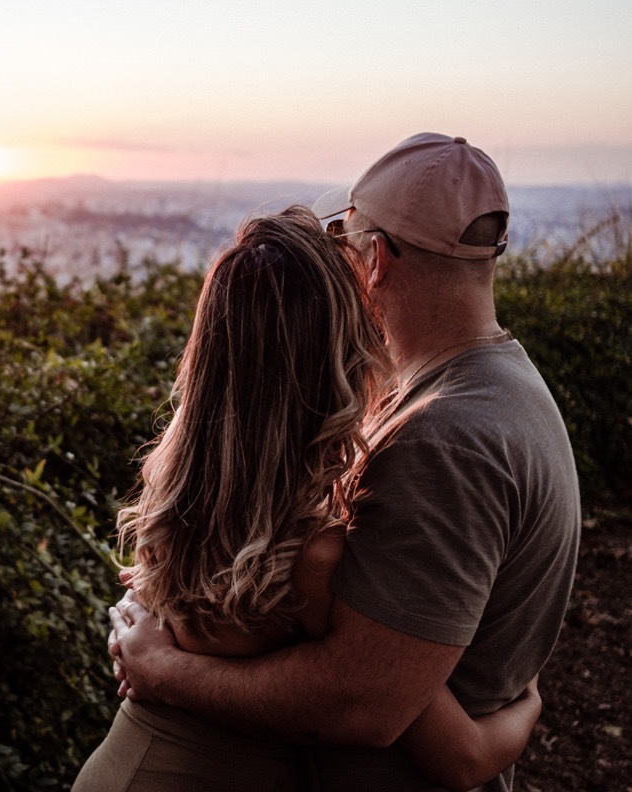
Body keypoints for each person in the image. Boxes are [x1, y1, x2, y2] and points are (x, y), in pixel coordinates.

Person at [106, 134, 581, 791]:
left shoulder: (441, 437)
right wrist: (525, 702)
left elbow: (364, 702)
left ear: (376, 259)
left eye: (345, 246)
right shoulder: (491, 390)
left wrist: (158, 666)